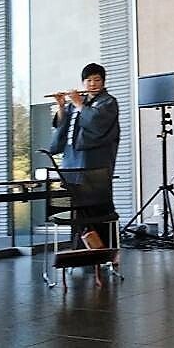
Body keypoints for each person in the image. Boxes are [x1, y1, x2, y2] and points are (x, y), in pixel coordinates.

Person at [49, 63, 120, 247]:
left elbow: (97, 124)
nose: (92, 84)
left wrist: (79, 104)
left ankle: (104, 250)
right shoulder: (78, 102)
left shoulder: (108, 102)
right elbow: (63, 126)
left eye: (97, 80)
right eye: (88, 80)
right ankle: (80, 250)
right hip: (72, 163)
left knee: (97, 209)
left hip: (94, 165)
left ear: (103, 82)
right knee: (77, 211)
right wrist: (62, 107)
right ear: (83, 82)